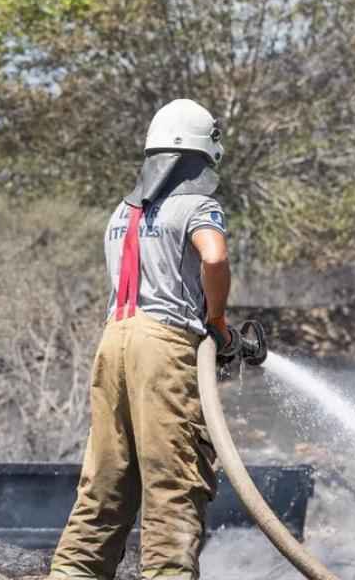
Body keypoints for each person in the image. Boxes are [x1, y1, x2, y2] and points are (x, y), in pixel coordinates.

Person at [47, 99, 237, 580]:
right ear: (200, 157)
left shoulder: (122, 212)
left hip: (113, 342)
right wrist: (217, 320)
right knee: (173, 479)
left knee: (105, 481)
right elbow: (214, 257)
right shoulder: (198, 205)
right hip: (164, 346)